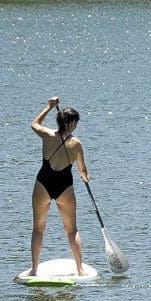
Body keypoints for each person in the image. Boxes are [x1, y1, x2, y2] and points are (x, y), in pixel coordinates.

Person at [28, 96, 89, 277]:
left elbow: (34, 124)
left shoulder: (47, 135)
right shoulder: (76, 144)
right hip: (65, 187)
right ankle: (80, 270)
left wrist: (48, 106)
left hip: (43, 184)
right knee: (72, 230)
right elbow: (82, 170)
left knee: (38, 228)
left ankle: (34, 269)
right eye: (76, 123)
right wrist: (86, 177)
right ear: (70, 124)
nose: (77, 126)